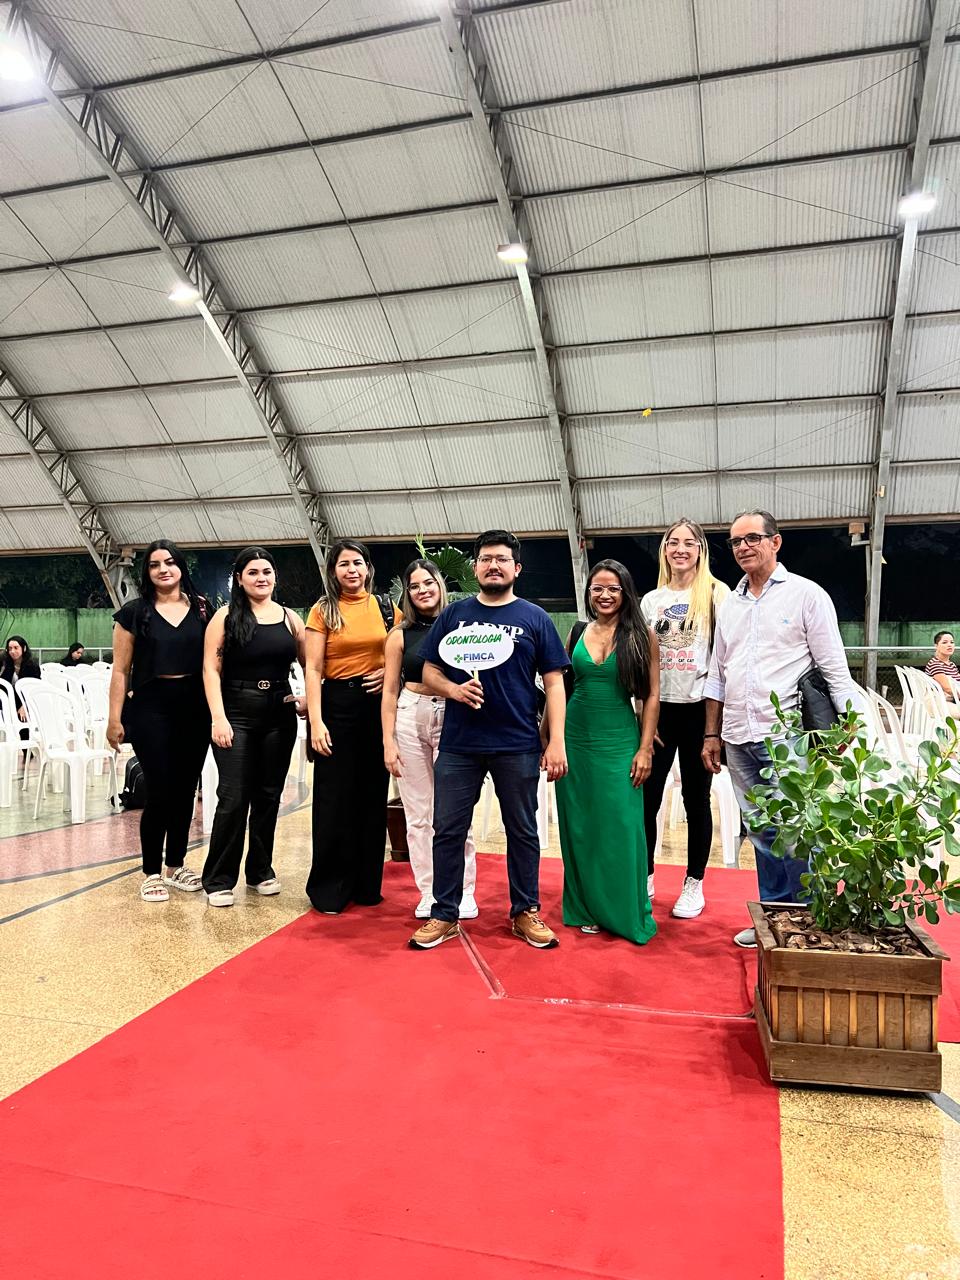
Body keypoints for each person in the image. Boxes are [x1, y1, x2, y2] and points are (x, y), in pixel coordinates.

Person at [702, 510, 862, 948]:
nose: (743, 547)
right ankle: (775, 919)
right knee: (761, 831)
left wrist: (849, 724)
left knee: (799, 829)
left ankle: (810, 921)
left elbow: (834, 668)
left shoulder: (807, 596)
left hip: (788, 736)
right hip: (737, 736)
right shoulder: (729, 605)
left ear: (775, 542)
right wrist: (712, 734)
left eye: (752, 538)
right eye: (736, 542)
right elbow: (717, 674)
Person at [409, 530, 569, 951]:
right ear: (476, 567)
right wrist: (453, 689)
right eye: (485, 559)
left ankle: (525, 911)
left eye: (501, 559)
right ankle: (445, 912)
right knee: (448, 829)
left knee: (522, 830)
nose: (492, 565)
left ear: (516, 568)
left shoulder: (535, 618)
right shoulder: (455, 615)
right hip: (459, 744)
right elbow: (428, 671)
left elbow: (554, 682)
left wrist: (556, 740)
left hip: (518, 742)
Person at [556, 559, 659, 943]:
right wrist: (550, 740)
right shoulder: (577, 631)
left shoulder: (643, 636)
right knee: (581, 825)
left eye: (613, 588)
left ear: (626, 592)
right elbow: (561, 688)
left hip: (619, 740)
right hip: (575, 739)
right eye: (597, 588)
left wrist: (645, 748)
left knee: (621, 825)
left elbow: (652, 696)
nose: (604, 595)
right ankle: (586, 906)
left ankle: (621, 909)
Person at [107, 541, 212, 904]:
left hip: (195, 707)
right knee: (160, 790)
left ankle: (176, 865)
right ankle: (151, 871)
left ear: (181, 567)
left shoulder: (203, 609)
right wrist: (114, 718)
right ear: (147, 572)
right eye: (154, 565)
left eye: (170, 562)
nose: (163, 569)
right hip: (150, 708)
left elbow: (215, 662)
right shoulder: (134, 613)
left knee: (185, 791)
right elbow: (120, 670)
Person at [201, 547, 306, 907]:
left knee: (268, 795)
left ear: (275, 576)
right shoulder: (226, 616)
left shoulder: (290, 618)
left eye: (266, 571)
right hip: (236, 711)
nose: (261, 578)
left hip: (279, 712)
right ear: (240, 579)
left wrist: (308, 698)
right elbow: (210, 669)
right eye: (253, 572)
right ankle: (218, 878)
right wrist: (218, 717)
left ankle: (260, 870)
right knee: (233, 798)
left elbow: (312, 665)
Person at [305, 540, 401, 915]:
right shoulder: (323, 610)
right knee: (334, 798)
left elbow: (402, 653)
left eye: (357, 563)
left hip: (376, 706)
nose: (352, 570)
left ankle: (366, 885)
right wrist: (316, 722)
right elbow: (313, 668)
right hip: (337, 705)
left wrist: (387, 671)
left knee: (372, 795)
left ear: (368, 568)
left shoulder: (386, 608)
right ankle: (330, 888)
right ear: (333, 571)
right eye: (343, 564)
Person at [641, 519, 730, 919]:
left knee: (696, 799)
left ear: (700, 550)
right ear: (665, 550)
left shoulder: (715, 594)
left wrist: (715, 728)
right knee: (646, 799)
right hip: (659, 711)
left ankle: (694, 883)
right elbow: (640, 661)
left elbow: (723, 661)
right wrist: (643, 714)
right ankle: (643, 876)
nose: (680, 549)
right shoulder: (651, 600)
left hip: (698, 711)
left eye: (689, 543)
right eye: (673, 542)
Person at [381, 558, 478, 920]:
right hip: (410, 714)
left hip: (453, 715)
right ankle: (429, 890)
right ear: (407, 594)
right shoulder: (399, 635)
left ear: (440, 585)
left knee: (455, 811)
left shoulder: (462, 627)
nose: (423, 590)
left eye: (428, 583)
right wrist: (388, 741)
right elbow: (389, 691)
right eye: (415, 586)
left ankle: (464, 890)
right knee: (418, 812)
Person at [1, 636, 41, 722]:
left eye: (16, 648)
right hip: (10, 700)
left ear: (24, 648)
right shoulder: (7, 664)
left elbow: (35, 688)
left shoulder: (32, 666)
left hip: (27, 700)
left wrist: (25, 705)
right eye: (10, 648)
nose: (12, 651)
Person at [925, 631, 960, 702]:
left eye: (952, 642)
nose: (949, 645)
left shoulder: (951, 664)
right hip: (943, 703)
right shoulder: (935, 664)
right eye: (944, 642)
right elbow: (948, 689)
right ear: (936, 646)